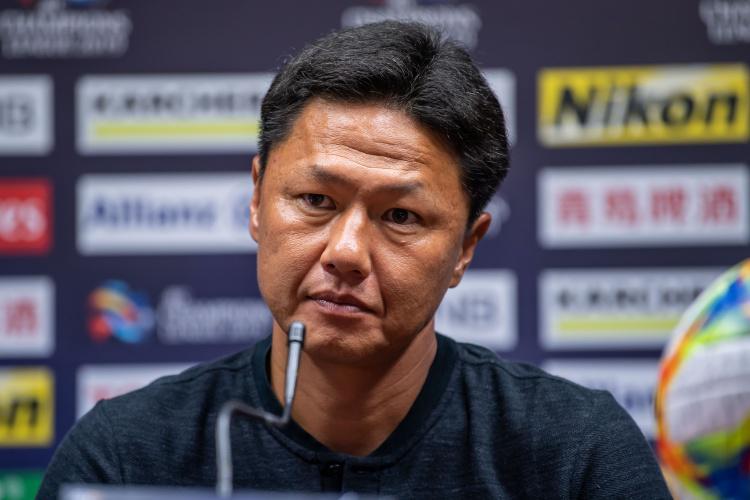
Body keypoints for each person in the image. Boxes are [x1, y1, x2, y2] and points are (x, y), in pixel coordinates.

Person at [39, 21, 670, 498]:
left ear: (465, 248)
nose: (345, 253)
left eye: (401, 216)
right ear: (257, 200)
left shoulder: (575, 456)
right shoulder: (124, 457)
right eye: (316, 201)